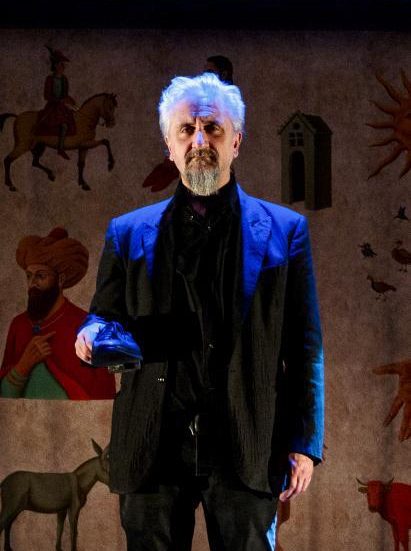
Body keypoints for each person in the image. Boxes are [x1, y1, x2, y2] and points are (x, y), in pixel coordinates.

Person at [75, 73, 324, 550]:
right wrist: (90, 334)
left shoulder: (285, 230)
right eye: (186, 130)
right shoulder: (127, 232)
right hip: (153, 444)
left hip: (246, 441)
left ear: (236, 141)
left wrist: (304, 443)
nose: (200, 141)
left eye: (212, 128)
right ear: (169, 147)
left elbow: (305, 346)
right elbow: (102, 315)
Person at [0, 227, 115, 399]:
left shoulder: (89, 327)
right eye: (29, 276)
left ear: (60, 280)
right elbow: (4, 398)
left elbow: (103, 397)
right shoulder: (19, 325)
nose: (32, 284)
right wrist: (23, 366)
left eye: (40, 276)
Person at [35, 46, 77, 160]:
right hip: (53, 107)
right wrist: (58, 100)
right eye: (61, 64)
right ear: (55, 65)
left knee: (73, 119)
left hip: (63, 106)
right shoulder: (49, 79)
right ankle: (60, 149)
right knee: (63, 125)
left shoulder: (64, 79)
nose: (63, 67)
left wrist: (71, 101)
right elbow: (46, 96)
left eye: (63, 65)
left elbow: (65, 94)